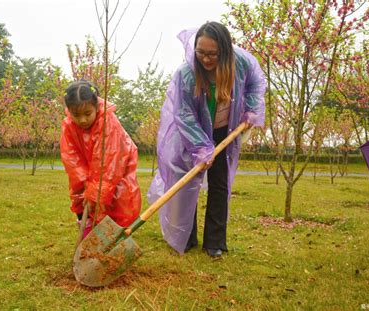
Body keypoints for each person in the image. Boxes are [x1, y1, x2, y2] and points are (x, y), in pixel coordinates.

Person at [147, 22, 266, 258]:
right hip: (191, 134)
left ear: (224, 50)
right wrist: (200, 147)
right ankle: (186, 237)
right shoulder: (187, 72)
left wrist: (252, 109)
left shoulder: (241, 62)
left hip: (225, 130)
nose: (206, 59)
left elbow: (255, 83)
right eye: (201, 52)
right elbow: (184, 113)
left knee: (219, 184)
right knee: (186, 182)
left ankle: (215, 242)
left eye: (212, 54)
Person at [60, 80, 141, 238]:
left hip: (116, 173)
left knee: (116, 206)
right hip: (88, 177)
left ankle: (112, 244)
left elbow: (108, 163)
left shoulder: (108, 123)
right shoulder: (69, 126)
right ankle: (90, 242)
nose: (82, 120)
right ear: (69, 111)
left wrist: (95, 194)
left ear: (96, 107)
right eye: (76, 115)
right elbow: (72, 160)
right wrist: (85, 190)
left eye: (87, 113)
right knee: (82, 204)